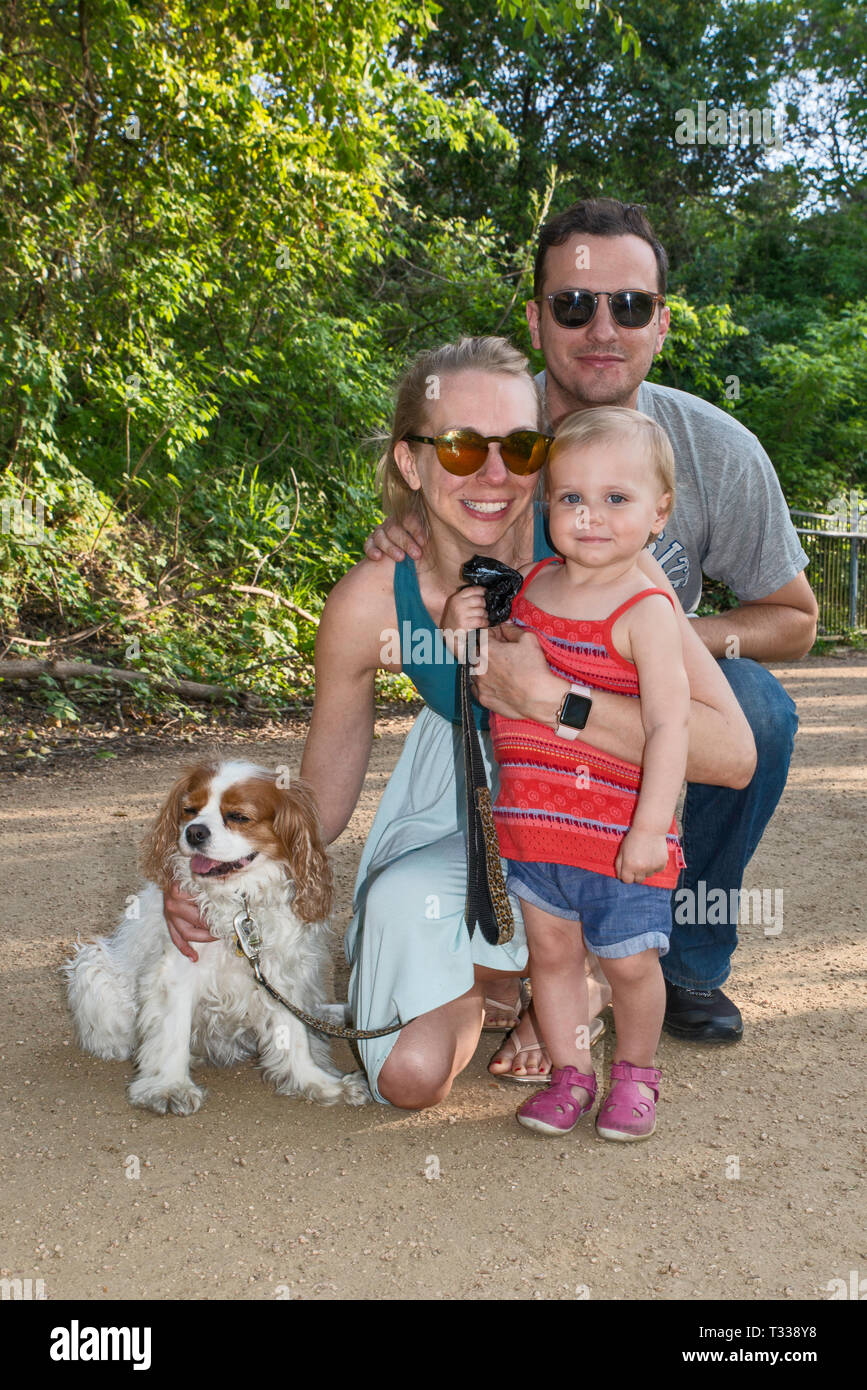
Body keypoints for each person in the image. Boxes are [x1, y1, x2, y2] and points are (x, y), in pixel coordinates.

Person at [165, 335, 755, 1107]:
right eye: (458, 446)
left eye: (519, 444)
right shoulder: (373, 599)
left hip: (586, 808)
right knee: (406, 1079)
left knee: (744, 721)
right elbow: (324, 800)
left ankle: (580, 979)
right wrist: (213, 866)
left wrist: (550, 701)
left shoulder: (600, 558)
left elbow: (732, 753)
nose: (493, 472)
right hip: (456, 807)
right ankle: (505, 982)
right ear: (411, 463)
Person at [364, 198, 818, 1058]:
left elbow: (795, 619)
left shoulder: (714, 448)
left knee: (754, 710)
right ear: (536, 320)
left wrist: (666, 646)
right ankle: (538, 961)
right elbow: (425, 505)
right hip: (516, 705)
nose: (601, 326)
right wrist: (404, 535)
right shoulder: (497, 431)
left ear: (661, 322)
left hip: (636, 681)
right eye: (573, 305)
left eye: (628, 305)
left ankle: (682, 956)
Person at [445, 406, 689, 1141]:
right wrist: (465, 628)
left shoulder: (646, 610)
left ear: (658, 513)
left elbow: (668, 726)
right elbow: (490, 671)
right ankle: (570, 1074)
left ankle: (636, 1077)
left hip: (619, 841)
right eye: (572, 498)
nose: (590, 516)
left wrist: (651, 828)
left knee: (629, 968)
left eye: (616, 499)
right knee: (550, 962)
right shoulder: (529, 586)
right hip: (533, 830)